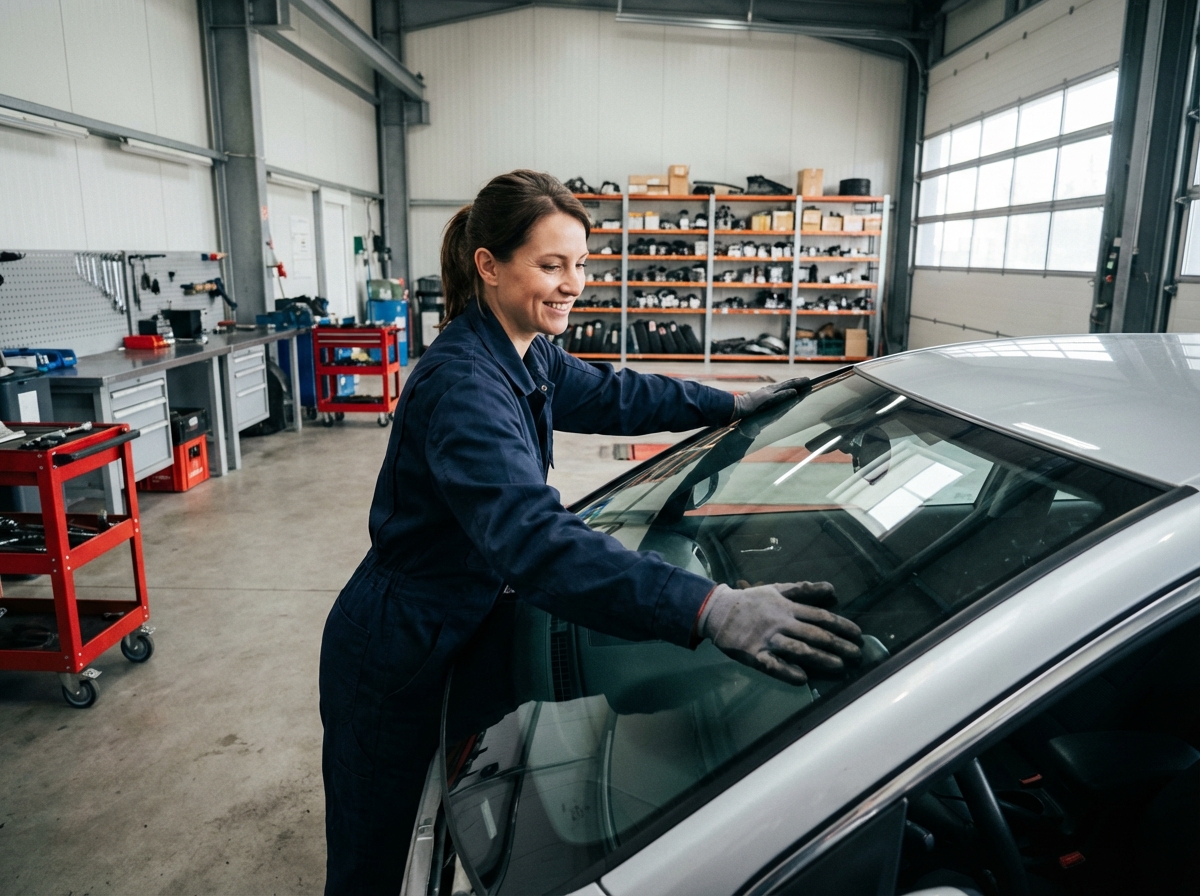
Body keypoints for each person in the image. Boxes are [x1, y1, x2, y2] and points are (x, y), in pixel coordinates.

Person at [318, 170, 862, 894]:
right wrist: (709, 606)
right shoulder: (465, 386)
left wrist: (727, 401)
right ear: (490, 265)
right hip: (397, 644)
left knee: (440, 829)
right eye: (552, 265)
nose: (575, 283)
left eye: (580, 263)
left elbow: (612, 392)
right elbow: (534, 539)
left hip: (456, 621)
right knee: (374, 865)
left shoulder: (523, 347)